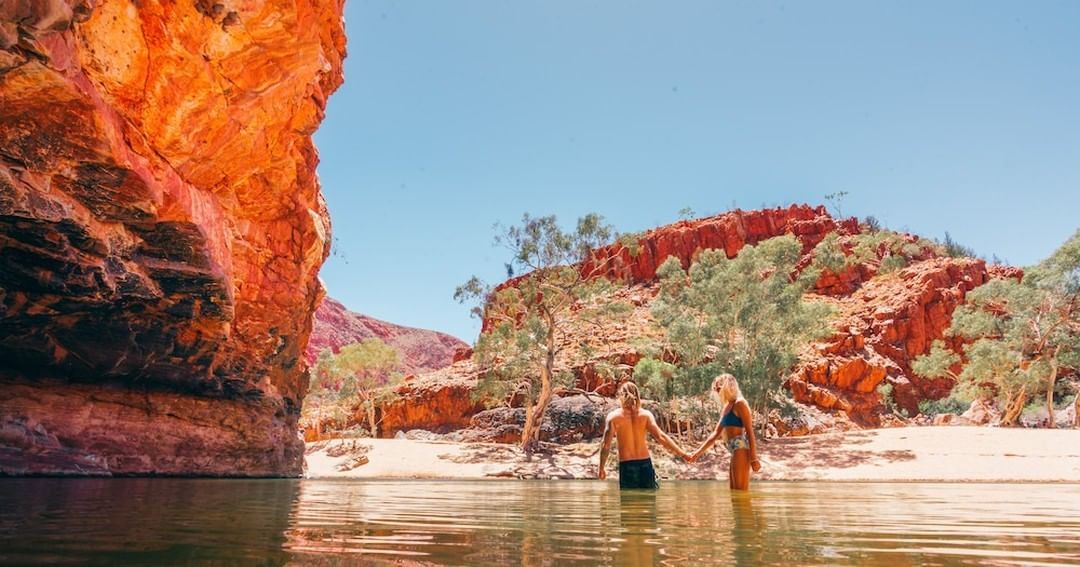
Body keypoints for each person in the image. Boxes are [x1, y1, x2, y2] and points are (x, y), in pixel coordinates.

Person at [598, 382, 690, 489]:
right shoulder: (646, 415)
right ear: (638, 395)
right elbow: (661, 437)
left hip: (627, 465)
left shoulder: (614, 417)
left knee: (629, 499)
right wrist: (682, 454)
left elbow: (605, 445)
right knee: (649, 498)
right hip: (645, 464)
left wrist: (601, 468)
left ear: (620, 396)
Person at [691, 374, 761, 490]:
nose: (716, 391)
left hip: (741, 449)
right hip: (734, 450)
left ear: (727, 387)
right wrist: (696, 454)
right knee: (734, 492)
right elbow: (715, 434)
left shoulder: (740, 403)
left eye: (718, 388)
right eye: (715, 389)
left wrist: (754, 459)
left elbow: (750, 432)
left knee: (740, 492)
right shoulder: (727, 407)